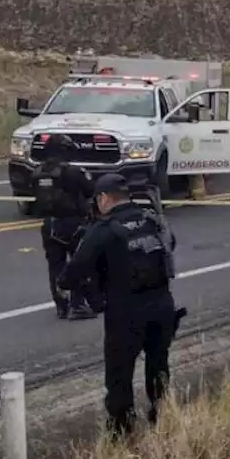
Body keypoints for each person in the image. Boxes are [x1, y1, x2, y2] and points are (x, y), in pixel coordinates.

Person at [58, 174, 184, 437]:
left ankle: (123, 430)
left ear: (104, 199)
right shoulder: (152, 220)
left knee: (119, 375)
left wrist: (71, 283)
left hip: (126, 313)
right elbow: (169, 246)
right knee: (158, 365)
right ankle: (162, 419)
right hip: (162, 305)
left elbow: (73, 273)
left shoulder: (104, 231)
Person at [32, 134, 98, 320]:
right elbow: (90, 190)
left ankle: (62, 306)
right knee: (78, 264)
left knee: (55, 266)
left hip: (49, 224)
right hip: (73, 224)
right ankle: (77, 305)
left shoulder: (38, 173)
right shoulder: (72, 172)